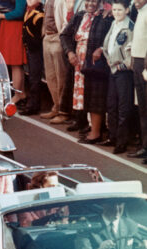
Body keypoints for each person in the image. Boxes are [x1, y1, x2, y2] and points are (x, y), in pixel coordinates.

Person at [60, 0, 113, 144]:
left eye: (94, 1)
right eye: (88, 0)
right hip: (78, 63)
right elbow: (64, 35)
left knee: (96, 96)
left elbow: (112, 37)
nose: (91, 4)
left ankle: (96, 132)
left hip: (96, 64)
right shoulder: (80, 16)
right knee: (84, 96)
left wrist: (101, 49)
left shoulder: (106, 17)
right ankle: (90, 127)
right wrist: (70, 52)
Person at [101, 0, 134, 154]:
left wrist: (123, 65)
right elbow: (109, 44)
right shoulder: (114, 23)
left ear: (127, 10)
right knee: (111, 105)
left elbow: (132, 50)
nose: (116, 13)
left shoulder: (130, 26)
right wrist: (107, 56)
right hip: (112, 69)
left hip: (123, 71)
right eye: (114, 9)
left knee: (123, 107)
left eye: (120, 10)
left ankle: (122, 141)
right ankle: (112, 136)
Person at [0, 0, 28, 106]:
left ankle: (18, 95)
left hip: (15, 27)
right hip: (8, 26)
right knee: (13, 63)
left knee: (15, 63)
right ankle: (21, 93)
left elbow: (19, 12)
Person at [74, 202, 142, 249]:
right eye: (112, 204)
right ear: (103, 205)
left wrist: (143, 248)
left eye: (120, 204)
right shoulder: (87, 226)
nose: (117, 209)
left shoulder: (130, 224)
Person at [128, 0, 147, 160]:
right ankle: (144, 146)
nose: (135, 1)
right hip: (138, 60)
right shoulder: (141, 11)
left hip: (145, 63)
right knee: (142, 108)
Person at [19, 0, 45, 116]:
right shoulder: (29, 11)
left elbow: (39, 36)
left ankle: (34, 105)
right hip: (30, 48)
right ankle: (32, 103)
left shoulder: (39, 15)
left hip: (36, 50)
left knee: (35, 78)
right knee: (31, 77)